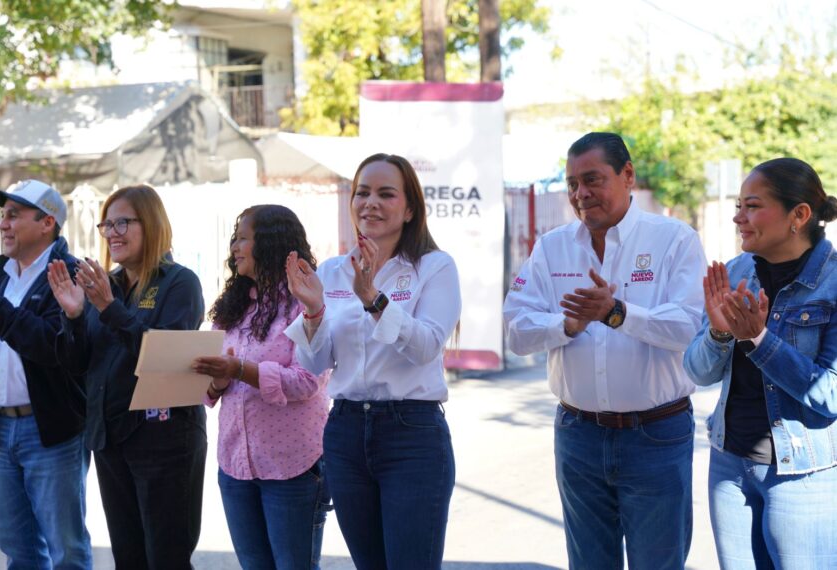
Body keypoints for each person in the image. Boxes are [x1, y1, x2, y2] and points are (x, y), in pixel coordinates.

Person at [503, 132, 707, 569]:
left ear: (627, 175)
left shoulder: (674, 239)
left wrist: (617, 313)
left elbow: (689, 327)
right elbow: (517, 331)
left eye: (592, 179)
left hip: (656, 434)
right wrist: (567, 325)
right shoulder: (552, 247)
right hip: (578, 434)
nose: (581, 193)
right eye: (572, 183)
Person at [285, 153, 461, 569]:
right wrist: (313, 311)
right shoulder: (332, 271)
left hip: (411, 433)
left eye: (386, 194)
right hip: (345, 432)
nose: (371, 203)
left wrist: (373, 300)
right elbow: (315, 363)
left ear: (410, 209)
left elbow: (426, 347)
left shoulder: (434, 267)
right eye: (362, 193)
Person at [683, 158, 837, 569]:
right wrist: (719, 334)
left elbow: (830, 394)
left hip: (804, 475)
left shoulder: (833, 283)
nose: (738, 217)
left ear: (798, 215)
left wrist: (759, 339)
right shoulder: (735, 273)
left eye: (752, 206)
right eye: (739, 206)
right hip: (729, 467)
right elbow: (698, 372)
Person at [48, 184, 207, 569]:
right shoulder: (108, 284)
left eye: (123, 223)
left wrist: (108, 308)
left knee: (166, 558)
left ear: (150, 224)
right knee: (129, 558)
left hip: (164, 440)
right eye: (107, 225)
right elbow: (77, 364)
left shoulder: (179, 282)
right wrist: (73, 316)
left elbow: (166, 357)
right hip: (111, 438)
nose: (113, 233)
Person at [191, 204, 331, 570]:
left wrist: (240, 369)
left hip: (292, 467)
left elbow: (306, 381)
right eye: (234, 239)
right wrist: (219, 380)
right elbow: (211, 384)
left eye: (243, 239)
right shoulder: (232, 307)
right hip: (235, 465)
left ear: (270, 243)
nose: (234, 247)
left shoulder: (306, 303)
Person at [0, 180, 92, 568]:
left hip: (50, 432)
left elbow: (52, 348)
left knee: (66, 551)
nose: (3, 224)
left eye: (14, 214)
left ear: (47, 222)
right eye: (2, 215)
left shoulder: (69, 274)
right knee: (17, 550)